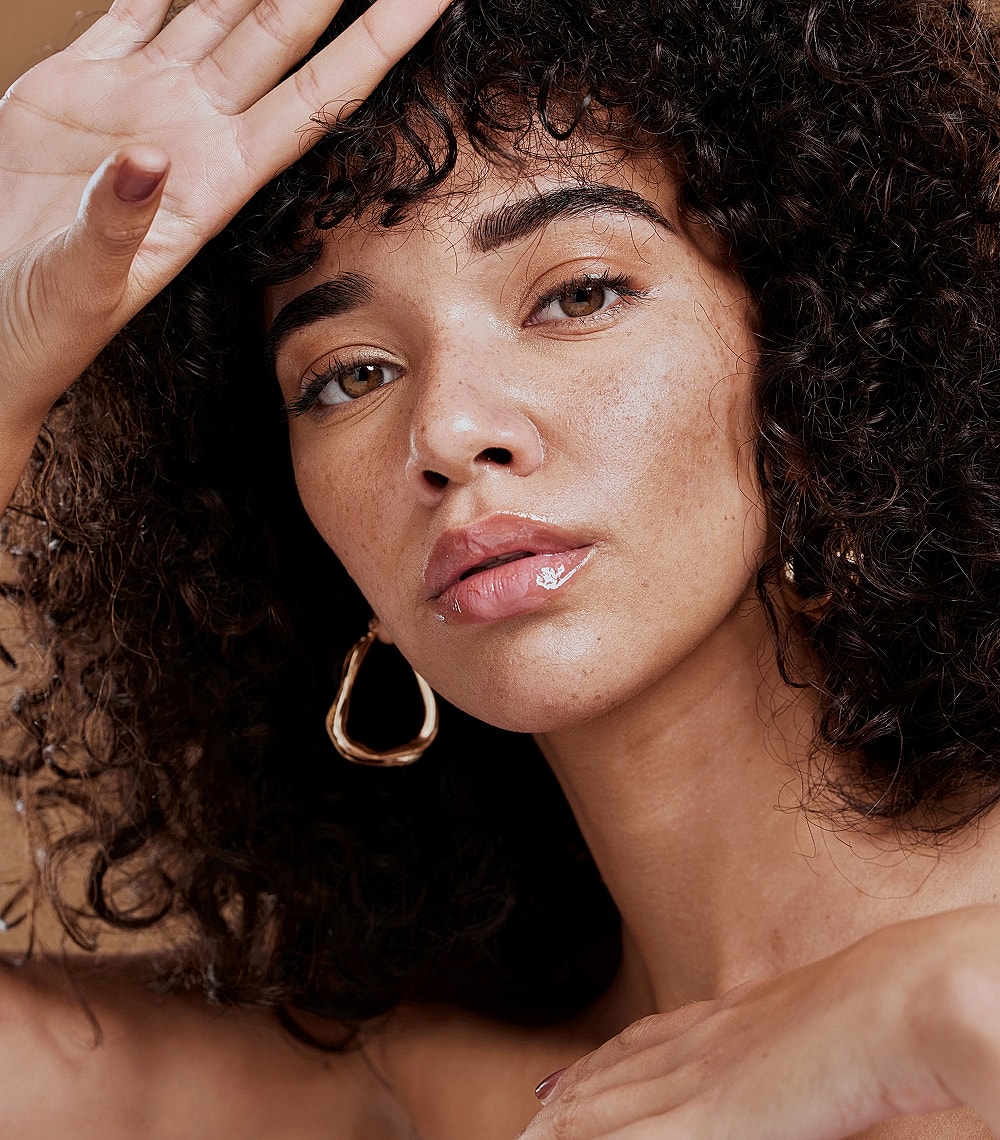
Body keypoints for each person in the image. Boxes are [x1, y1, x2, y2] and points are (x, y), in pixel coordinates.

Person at [4, 0, 1000, 1136]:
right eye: (349, 375)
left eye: (578, 294)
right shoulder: (410, 1090)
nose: (445, 431)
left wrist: (939, 1003)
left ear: (820, 362)